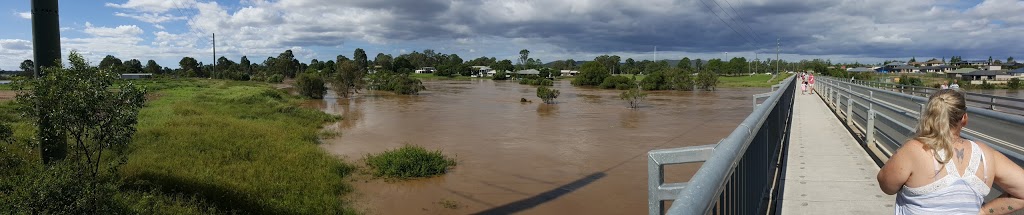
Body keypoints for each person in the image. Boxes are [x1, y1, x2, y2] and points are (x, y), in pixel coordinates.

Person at [877, 89, 1024, 214]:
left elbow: (886, 186)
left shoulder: (915, 149)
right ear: (964, 119)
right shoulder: (985, 154)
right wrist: (984, 211)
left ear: (929, 115)